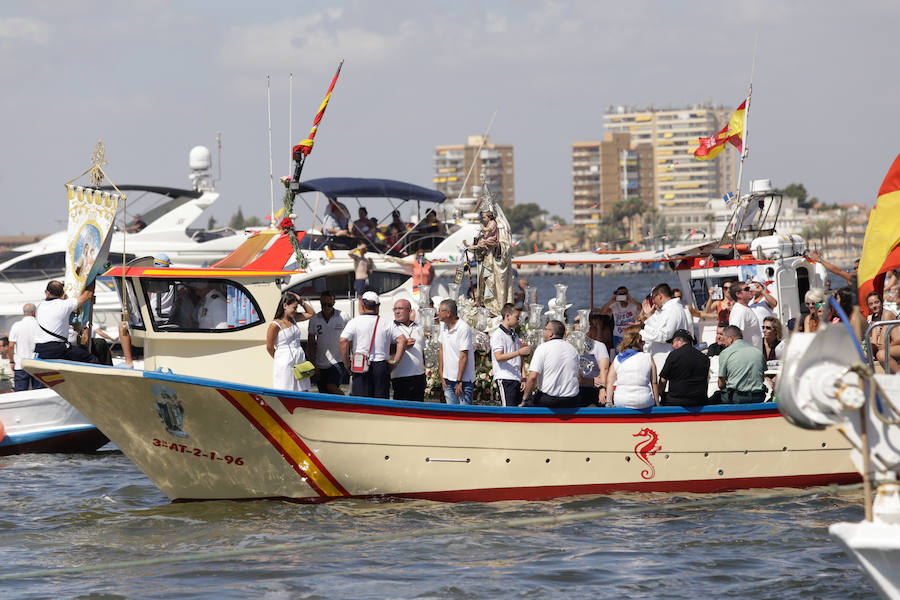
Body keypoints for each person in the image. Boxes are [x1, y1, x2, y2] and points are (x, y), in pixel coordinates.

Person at [340, 291, 407, 399]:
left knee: (361, 403)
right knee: (380, 403)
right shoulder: (387, 322)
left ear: (363, 305)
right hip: (381, 366)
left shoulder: (355, 322)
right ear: (378, 306)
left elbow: (343, 341)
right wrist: (395, 362)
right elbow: (402, 340)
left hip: (360, 365)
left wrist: (347, 363)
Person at [33, 280, 99, 363]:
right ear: (62, 293)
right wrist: (92, 278)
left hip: (40, 349)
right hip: (57, 349)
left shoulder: (39, 306)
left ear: (47, 292)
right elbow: (88, 294)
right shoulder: (64, 305)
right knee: (91, 359)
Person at [522, 320, 581, 408]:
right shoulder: (573, 349)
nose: (543, 331)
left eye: (545, 329)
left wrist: (525, 399)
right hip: (571, 400)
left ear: (551, 333)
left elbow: (533, 377)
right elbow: (578, 377)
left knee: (529, 401)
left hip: (549, 400)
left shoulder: (543, 348)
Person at [266, 292, 315, 392]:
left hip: (299, 357)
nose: (295, 310)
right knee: (286, 389)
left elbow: (311, 314)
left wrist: (301, 301)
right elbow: (269, 347)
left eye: (296, 308)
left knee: (303, 389)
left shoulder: (294, 318)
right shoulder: (275, 325)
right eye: (294, 308)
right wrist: (280, 358)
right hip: (284, 359)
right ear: (285, 306)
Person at [639, 283, 691, 374]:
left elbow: (665, 336)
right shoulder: (670, 309)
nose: (653, 301)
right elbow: (658, 328)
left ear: (659, 296)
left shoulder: (672, 310)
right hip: (663, 359)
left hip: (666, 359)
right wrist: (649, 316)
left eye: (653, 298)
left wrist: (641, 333)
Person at [712, 325, 767, 404]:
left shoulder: (725, 352)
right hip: (758, 397)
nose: (724, 343)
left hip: (737, 398)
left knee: (716, 396)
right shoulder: (757, 352)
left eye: (724, 340)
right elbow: (762, 378)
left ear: (730, 339)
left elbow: (721, 384)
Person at [606, 326, 658, 409]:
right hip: (643, 400)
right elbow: (654, 382)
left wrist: (608, 402)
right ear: (639, 343)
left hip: (621, 400)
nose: (644, 344)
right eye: (643, 342)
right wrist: (657, 403)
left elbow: (610, 382)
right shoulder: (648, 357)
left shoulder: (618, 358)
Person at [307, 290, 347, 395]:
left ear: (333, 303)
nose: (326, 307)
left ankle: (347, 401)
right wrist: (314, 365)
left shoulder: (343, 316)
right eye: (323, 304)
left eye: (329, 304)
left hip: (338, 361)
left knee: (331, 386)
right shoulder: (315, 320)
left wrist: (349, 359)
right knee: (323, 393)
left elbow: (350, 338)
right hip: (320, 363)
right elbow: (310, 344)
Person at [491, 303, 531, 407]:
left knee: (519, 410)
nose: (518, 321)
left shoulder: (514, 335)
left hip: (516, 378)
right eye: (517, 318)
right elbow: (499, 357)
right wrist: (518, 352)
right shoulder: (498, 335)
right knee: (508, 410)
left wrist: (523, 376)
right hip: (505, 378)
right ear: (507, 316)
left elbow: (520, 357)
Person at [437, 299, 475, 405]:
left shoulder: (463, 328)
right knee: (450, 416)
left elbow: (463, 356)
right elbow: (441, 349)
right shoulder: (443, 326)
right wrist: (441, 373)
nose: (437, 313)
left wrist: (459, 380)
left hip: (464, 381)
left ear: (448, 313)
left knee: (464, 416)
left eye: (440, 310)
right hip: (448, 380)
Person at [658, 329, 709, 407]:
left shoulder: (674, 355)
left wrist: (662, 395)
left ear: (680, 340)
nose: (672, 346)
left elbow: (663, 380)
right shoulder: (704, 358)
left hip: (676, 401)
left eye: (673, 342)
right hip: (699, 401)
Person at [390, 298, 426, 401]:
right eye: (395, 309)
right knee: (402, 411)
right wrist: (402, 346)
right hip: (401, 377)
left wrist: (424, 371)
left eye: (400, 308)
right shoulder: (390, 328)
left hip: (419, 376)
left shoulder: (419, 327)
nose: (397, 311)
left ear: (409, 311)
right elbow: (386, 350)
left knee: (419, 410)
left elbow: (422, 351)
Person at [8, 303, 44, 391]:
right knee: (40, 394)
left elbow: (11, 346)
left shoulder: (16, 325)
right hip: (38, 364)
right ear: (34, 312)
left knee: (20, 394)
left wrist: (12, 361)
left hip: (21, 364)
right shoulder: (40, 325)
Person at [578, 312, 611, 406]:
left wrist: (602, 389)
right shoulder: (572, 345)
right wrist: (589, 381)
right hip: (578, 387)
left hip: (595, 388)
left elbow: (604, 369)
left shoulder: (599, 346)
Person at [728, 282, 762, 349]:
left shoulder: (744, 308)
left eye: (749, 288)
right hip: (748, 356)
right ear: (738, 294)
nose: (750, 290)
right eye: (746, 289)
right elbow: (734, 336)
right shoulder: (739, 311)